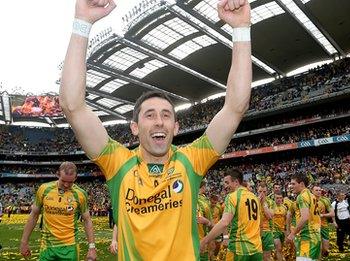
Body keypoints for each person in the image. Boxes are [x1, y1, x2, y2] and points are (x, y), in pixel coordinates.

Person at [59, 0, 252, 260]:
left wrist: (241, 29)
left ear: (176, 126)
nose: (159, 121)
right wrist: (82, 23)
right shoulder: (118, 164)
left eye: (166, 115)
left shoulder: (191, 160)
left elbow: (235, 108)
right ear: (135, 128)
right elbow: (73, 107)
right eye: (150, 115)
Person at [19, 162, 96, 261]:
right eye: (63, 180)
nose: (66, 185)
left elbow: (87, 220)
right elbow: (34, 215)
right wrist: (24, 242)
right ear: (57, 174)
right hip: (47, 247)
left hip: (70, 248)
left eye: (70, 182)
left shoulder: (80, 194)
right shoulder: (44, 189)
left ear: (76, 178)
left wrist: (92, 247)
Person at [200, 169, 262, 260]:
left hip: (239, 249)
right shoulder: (254, 197)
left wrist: (204, 241)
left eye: (227, 182)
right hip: (257, 249)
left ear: (236, 182)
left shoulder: (232, 196)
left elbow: (224, 222)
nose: (225, 186)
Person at [287, 173, 321, 261]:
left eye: (293, 184)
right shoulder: (312, 196)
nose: (291, 186)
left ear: (301, 184)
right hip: (316, 236)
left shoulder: (301, 197)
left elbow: (305, 217)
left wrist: (292, 233)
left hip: (307, 237)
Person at [312, 185, 334, 257]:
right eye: (316, 190)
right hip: (313, 226)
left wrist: (323, 215)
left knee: (325, 250)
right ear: (312, 191)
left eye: (319, 190)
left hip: (324, 225)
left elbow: (332, 213)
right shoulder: (309, 200)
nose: (319, 192)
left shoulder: (325, 200)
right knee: (318, 247)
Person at [258, 182, 275, 261]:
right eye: (260, 191)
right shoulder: (253, 201)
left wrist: (264, 203)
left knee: (267, 257)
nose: (262, 194)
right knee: (257, 257)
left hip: (267, 232)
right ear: (257, 191)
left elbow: (270, 216)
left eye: (264, 192)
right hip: (256, 232)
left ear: (267, 192)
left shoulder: (271, 202)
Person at [273, 193, 287, 261]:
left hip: (282, 231)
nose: (279, 199)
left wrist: (286, 231)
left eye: (280, 198)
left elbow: (286, 219)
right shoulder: (272, 207)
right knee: (278, 248)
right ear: (274, 199)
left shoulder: (284, 207)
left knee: (280, 249)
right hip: (274, 230)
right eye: (277, 198)